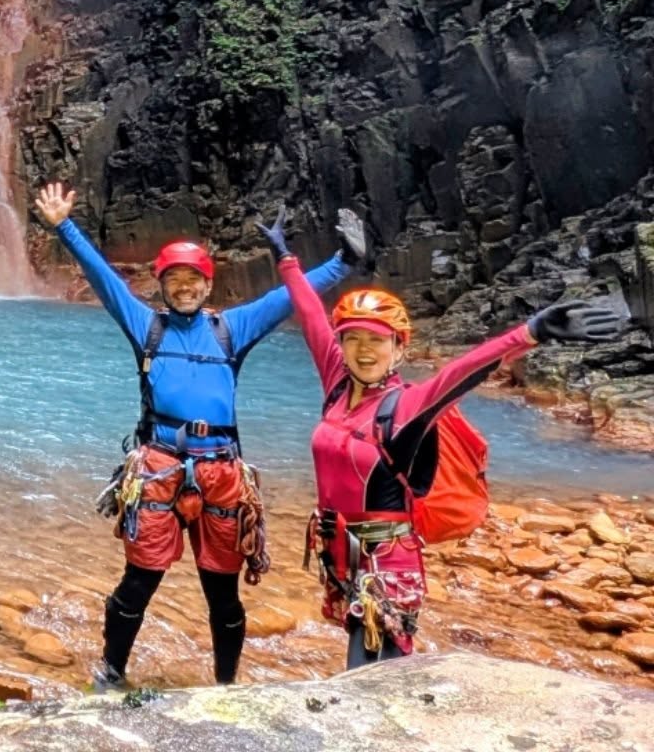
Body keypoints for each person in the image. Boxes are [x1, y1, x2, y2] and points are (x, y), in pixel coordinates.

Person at [258, 206, 627, 667]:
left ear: (399, 348)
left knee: (366, 675)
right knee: (370, 670)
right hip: (341, 552)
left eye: (377, 340)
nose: (363, 349)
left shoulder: (406, 407)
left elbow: (461, 372)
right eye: (353, 338)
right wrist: (285, 259)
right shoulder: (338, 383)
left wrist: (531, 333)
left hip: (386, 562)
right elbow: (312, 316)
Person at [33, 181, 358, 689]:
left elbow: (289, 297)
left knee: (222, 593)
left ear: (208, 285)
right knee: (137, 583)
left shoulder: (233, 327)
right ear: (162, 285)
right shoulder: (147, 326)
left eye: (193, 279)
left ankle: (225, 687)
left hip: (220, 471)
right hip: (159, 467)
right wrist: (64, 227)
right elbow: (105, 280)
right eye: (174, 280)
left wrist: (344, 263)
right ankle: (111, 673)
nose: (184, 287)